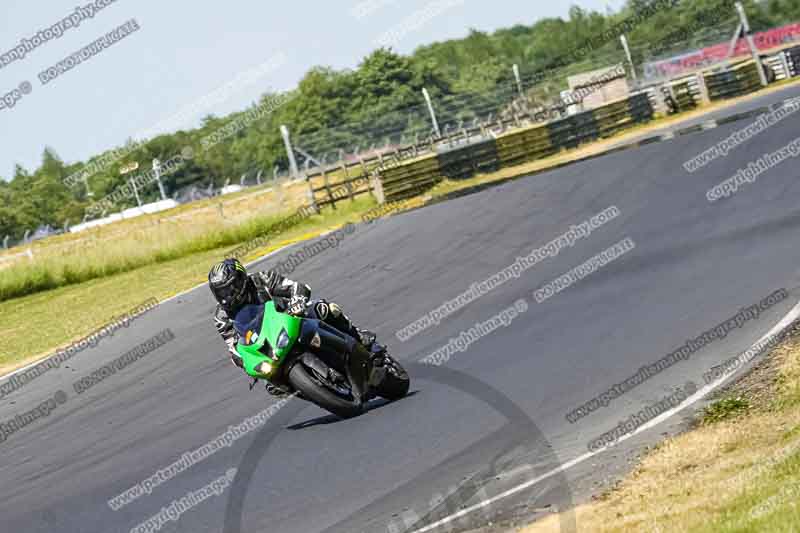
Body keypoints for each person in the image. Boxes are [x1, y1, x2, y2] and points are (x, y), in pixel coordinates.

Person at [208, 258, 379, 394]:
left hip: (292, 317)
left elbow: (297, 287)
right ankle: (304, 387)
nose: (226, 296)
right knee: (272, 384)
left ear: (240, 280)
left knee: (325, 309)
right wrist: (242, 359)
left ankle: (358, 336)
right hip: (266, 343)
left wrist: (297, 300)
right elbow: (233, 345)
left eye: (229, 289)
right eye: (220, 292)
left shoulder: (261, 280)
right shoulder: (221, 317)